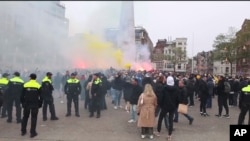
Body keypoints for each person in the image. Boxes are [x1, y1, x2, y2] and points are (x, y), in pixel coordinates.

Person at [156, 76, 179, 141]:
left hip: (165, 106)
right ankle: (169, 135)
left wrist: (161, 105)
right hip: (172, 107)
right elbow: (178, 99)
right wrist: (175, 106)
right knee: (171, 120)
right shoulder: (176, 89)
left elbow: (161, 98)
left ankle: (158, 132)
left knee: (160, 119)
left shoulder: (164, 88)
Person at [21, 73, 43, 138]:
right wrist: (40, 104)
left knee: (25, 117)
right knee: (34, 118)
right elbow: (41, 96)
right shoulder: (38, 85)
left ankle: (23, 131)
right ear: (35, 78)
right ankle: (32, 133)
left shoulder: (25, 85)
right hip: (35, 104)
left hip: (27, 104)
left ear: (30, 78)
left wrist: (23, 103)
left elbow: (21, 96)